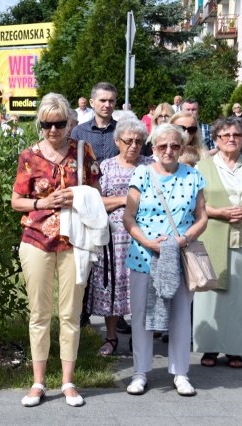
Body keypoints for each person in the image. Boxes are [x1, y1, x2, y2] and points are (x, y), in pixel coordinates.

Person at [12, 93, 102, 408]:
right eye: (47, 124)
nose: (53, 130)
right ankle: (38, 382)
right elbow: (16, 201)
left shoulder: (82, 152)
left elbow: (96, 195)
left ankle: (67, 381)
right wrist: (43, 202)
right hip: (36, 239)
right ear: (40, 124)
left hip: (75, 241)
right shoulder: (29, 155)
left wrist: (76, 198)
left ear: (69, 123)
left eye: (59, 123)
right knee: (39, 313)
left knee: (70, 314)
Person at [123, 124, 208, 397]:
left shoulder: (194, 176)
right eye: (162, 146)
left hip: (179, 255)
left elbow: (202, 216)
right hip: (144, 256)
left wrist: (184, 239)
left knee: (181, 316)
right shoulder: (142, 173)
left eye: (174, 146)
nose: (168, 151)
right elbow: (128, 217)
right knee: (141, 316)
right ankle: (140, 372)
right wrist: (146, 242)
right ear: (154, 148)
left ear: (183, 148)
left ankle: (180, 372)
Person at [193, 117, 242, 369]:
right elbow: (196, 204)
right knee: (212, 296)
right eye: (225, 135)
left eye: (236, 135)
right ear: (215, 139)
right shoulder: (201, 167)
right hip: (213, 237)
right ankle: (210, 348)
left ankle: (236, 348)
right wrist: (218, 212)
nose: (231, 139)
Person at [86, 118, 153, 357]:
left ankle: (139, 338)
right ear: (117, 142)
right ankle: (111, 337)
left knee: (142, 289)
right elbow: (96, 201)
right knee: (112, 287)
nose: (134, 146)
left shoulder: (151, 165)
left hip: (144, 236)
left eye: (138, 141)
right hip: (113, 238)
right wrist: (126, 200)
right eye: (128, 141)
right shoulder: (105, 167)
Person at [71, 82, 118, 164]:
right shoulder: (79, 132)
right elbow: (73, 163)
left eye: (111, 101)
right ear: (92, 103)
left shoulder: (123, 131)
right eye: (103, 100)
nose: (107, 105)